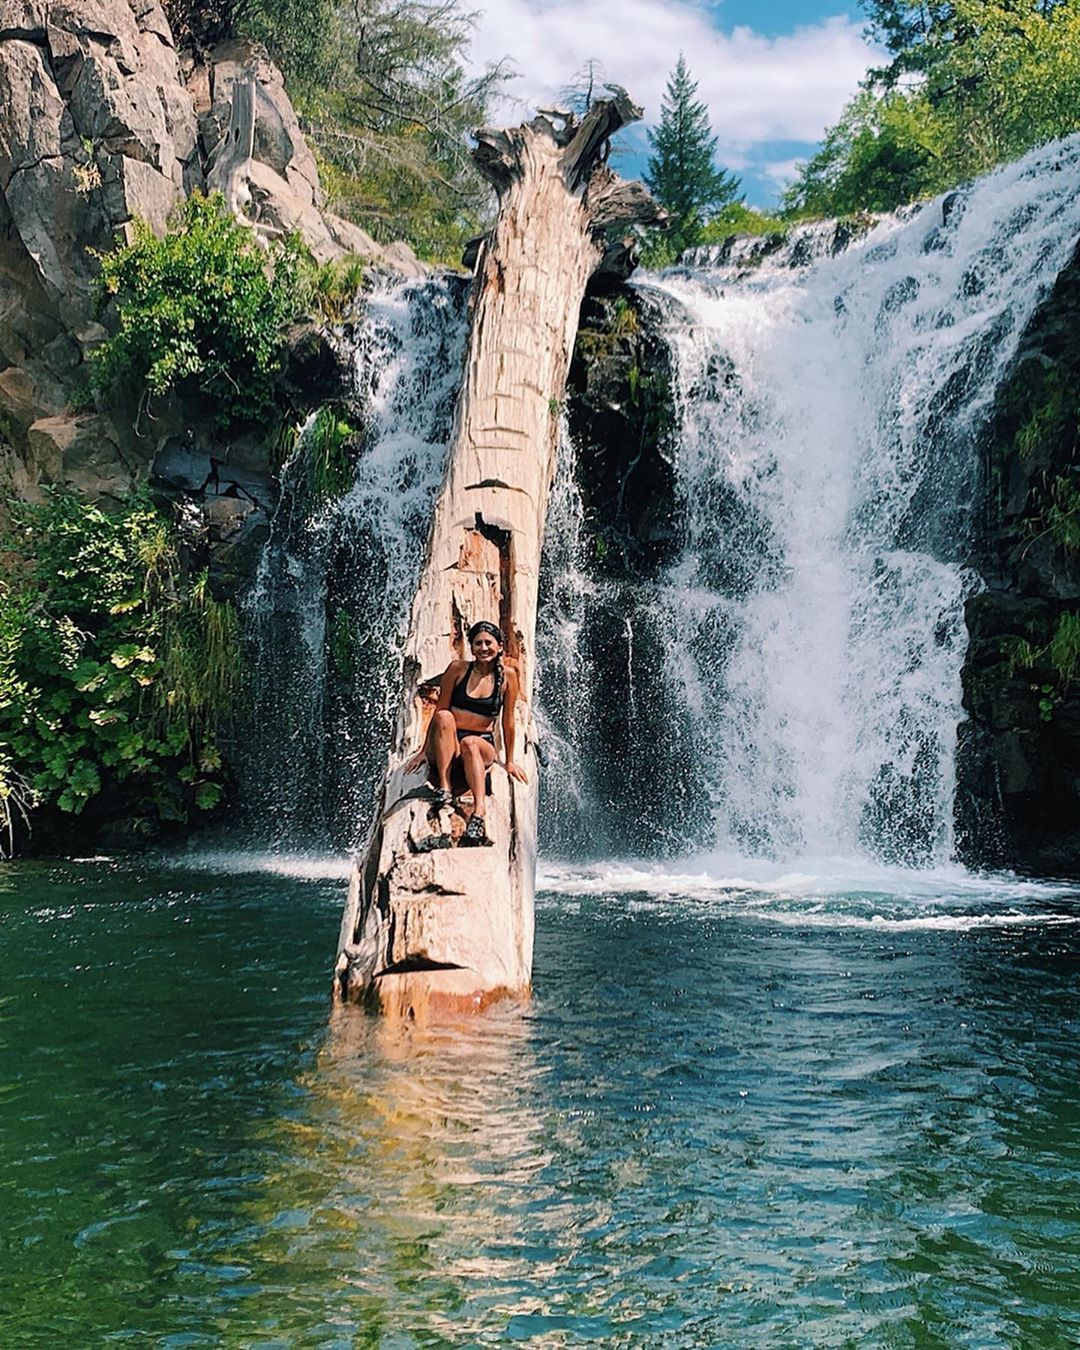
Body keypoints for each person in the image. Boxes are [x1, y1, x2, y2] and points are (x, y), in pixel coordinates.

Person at [405, 620, 528, 845]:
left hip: (480, 745)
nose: (483, 648)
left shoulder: (508, 677)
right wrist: (424, 750)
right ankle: (445, 788)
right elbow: (440, 709)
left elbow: (508, 721)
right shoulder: (457, 669)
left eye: (488, 643)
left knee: (471, 742)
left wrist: (510, 761)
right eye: (478, 643)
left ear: (500, 646)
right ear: (471, 647)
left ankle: (479, 812)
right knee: (445, 716)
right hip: (449, 742)